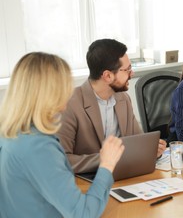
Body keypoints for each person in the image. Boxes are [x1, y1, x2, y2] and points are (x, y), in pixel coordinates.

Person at [0, 52, 124, 218]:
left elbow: (35, 189)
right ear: (52, 93)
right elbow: (83, 216)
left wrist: (65, 211)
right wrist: (106, 165)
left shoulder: (12, 132)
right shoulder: (39, 147)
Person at [57, 39, 166, 174]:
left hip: (123, 177)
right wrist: (106, 160)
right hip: (86, 182)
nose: (132, 74)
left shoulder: (123, 99)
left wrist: (152, 151)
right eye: (127, 70)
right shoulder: (69, 104)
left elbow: (138, 143)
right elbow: (61, 159)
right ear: (107, 76)